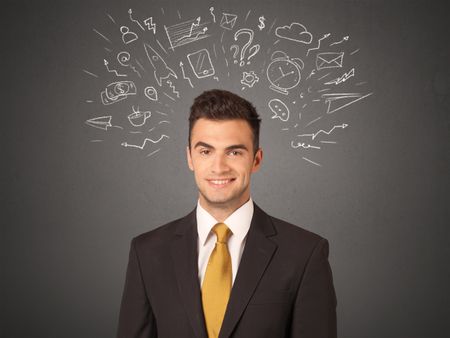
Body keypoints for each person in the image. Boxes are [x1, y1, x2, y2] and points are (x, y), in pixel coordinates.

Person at [116, 89, 337, 338]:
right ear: (190, 157)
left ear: (256, 159)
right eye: (205, 151)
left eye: (234, 152)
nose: (219, 167)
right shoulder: (147, 252)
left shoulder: (305, 254)